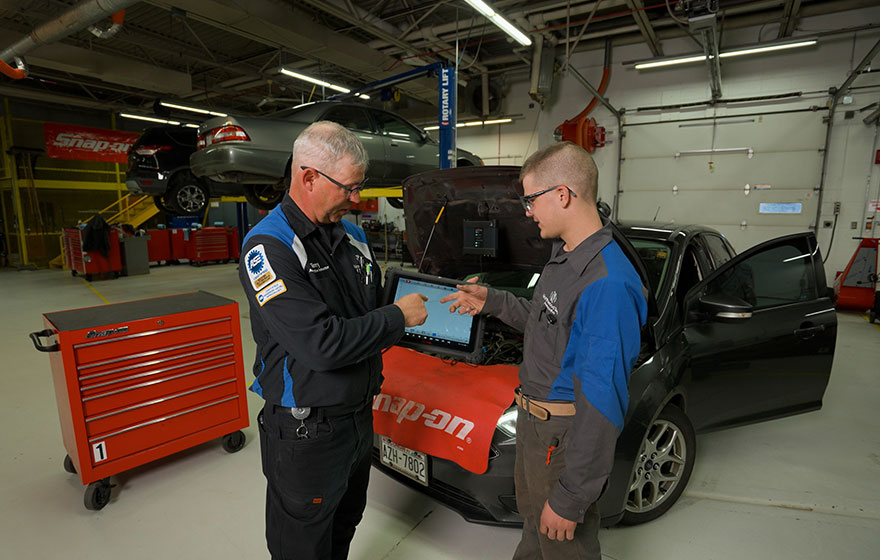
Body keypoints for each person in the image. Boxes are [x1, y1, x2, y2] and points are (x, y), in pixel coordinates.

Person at [441, 142, 647, 559]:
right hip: (535, 428)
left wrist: (572, 495)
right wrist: (493, 301)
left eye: (531, 199)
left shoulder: (607, 284)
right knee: (535, 537)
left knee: (564, 547)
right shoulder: (564, 257)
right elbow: (546, 321)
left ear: (563, 195)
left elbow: (602, 400)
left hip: (564, 438)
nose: (528, 211)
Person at [238, 121, 428, 560]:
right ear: (308, 177)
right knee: (303, 545)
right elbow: (320, 345)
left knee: (344, 523)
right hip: (307, 430)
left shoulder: (355, 236)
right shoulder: (268, 248)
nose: (358, 199)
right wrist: (397, 317)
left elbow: (368, 308)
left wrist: (431, 299)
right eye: (350, 188)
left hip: (358, 419)